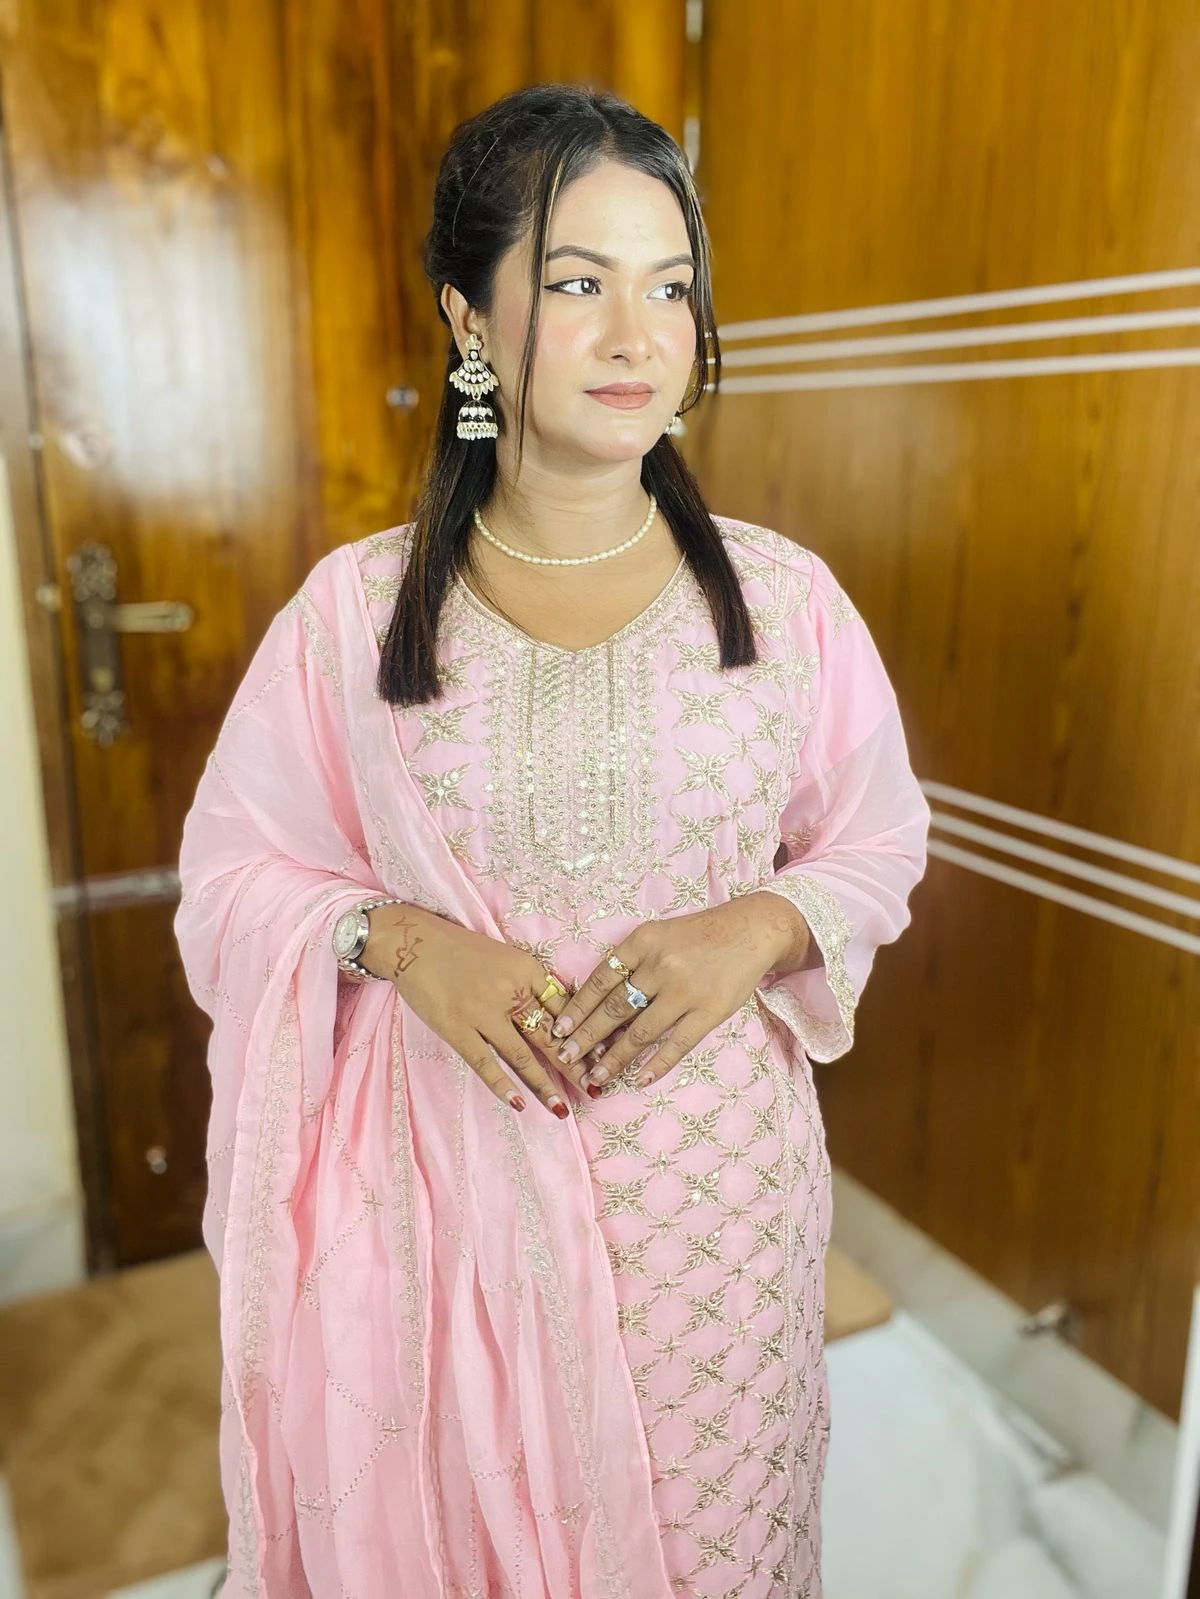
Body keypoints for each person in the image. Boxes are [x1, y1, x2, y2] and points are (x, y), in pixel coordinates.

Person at [175, 81, 930, 1599]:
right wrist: (403, 942)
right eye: (580, 285)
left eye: (671, 287)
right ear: (470, 317)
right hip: (447, 1212)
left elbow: (877, 841)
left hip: (716, 1217)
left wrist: (758, 927)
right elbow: (234, 874)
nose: (639, 336)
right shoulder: (354, 613)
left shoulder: (781, 602)